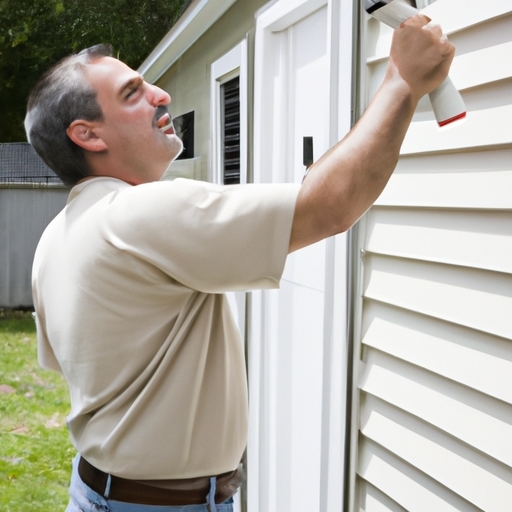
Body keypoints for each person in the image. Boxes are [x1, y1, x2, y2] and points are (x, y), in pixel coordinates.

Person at [25, 14, 454, 512]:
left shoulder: (55, 239)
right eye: (132, 93)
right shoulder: (139, 214)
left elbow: (72, 363)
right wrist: (403, 81)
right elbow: (329, 206)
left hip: (97, 490)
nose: (161, 95)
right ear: (88, 135)